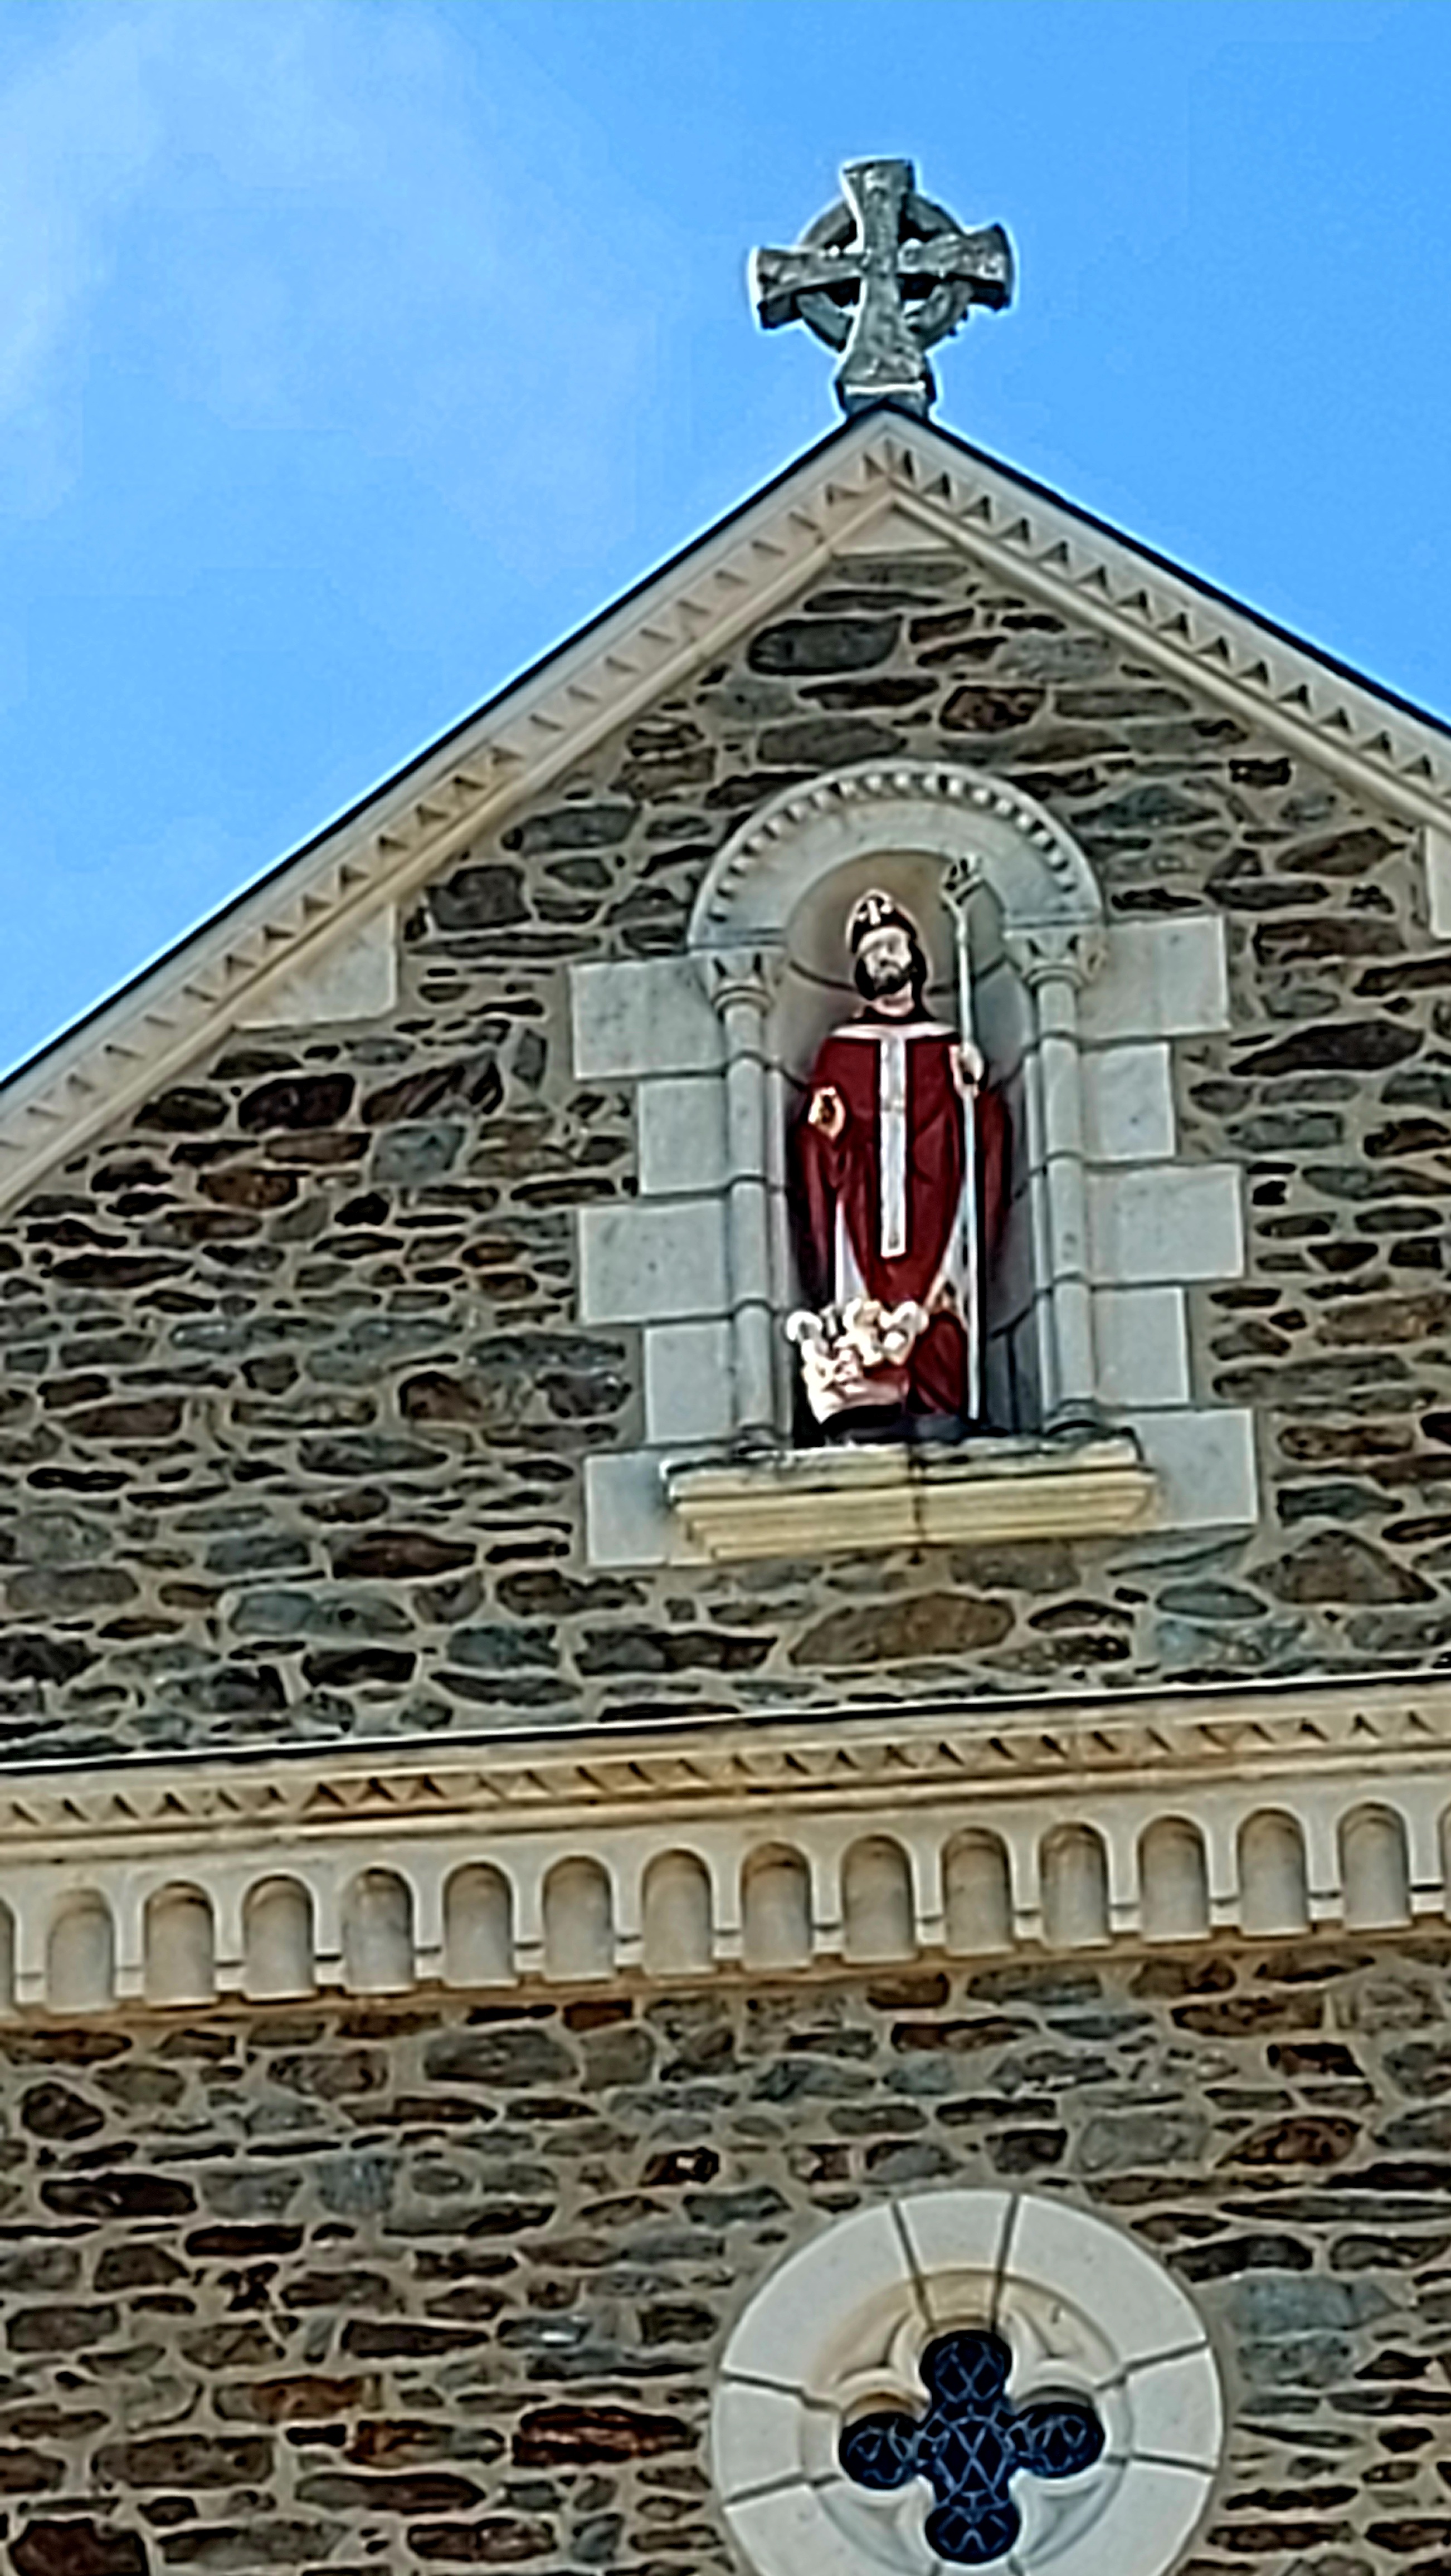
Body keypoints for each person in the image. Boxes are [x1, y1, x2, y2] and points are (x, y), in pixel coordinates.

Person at [788, 889, 1007, 1438]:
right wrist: (827, 1131)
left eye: (892, 946)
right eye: (872, 953)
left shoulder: (946, 1046)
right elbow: (816, 1145)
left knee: (941, 1299)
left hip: (935, 1201)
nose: (884, 958)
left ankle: (940, 1403)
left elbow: (982, 1137)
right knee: (862, 1303)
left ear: (914, 955)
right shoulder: (841, 1051)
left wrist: (974, 1094)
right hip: (862, 1205)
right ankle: (871, 1398)